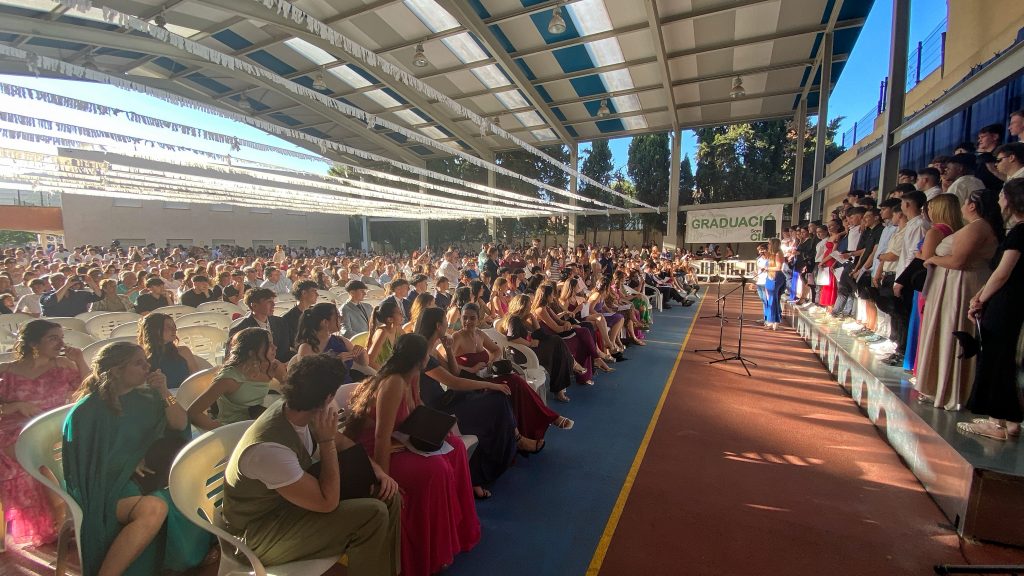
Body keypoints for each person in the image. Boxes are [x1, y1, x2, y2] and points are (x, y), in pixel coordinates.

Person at [223, 355, 401, 574]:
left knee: (388, 495)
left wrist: (377, 471)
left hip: (289, 507)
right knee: (373, 515)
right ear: (328, 398)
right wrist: (326, 442)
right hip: (258, 535)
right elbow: (327, 502)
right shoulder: (271, 450)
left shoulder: (297, 410)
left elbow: (343, 442)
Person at [62, 342, 213, 576]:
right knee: (155, 507)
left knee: (197, 487)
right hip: (105, 487)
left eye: (146, 362)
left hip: (144, 477)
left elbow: (179, 425)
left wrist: (164, 393)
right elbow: (85, 465)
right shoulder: (88, 411)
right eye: (138, 363)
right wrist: (128, 462)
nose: (147, 367)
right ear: (116, 370)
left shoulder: (148, 398)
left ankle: (185, 559)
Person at [345, 334, 478, 576]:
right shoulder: (394, 382)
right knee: (436, 469)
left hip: (401, 440)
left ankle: (454, 534)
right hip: (376, 452)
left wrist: (440, 426)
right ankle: (429, 553)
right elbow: (380, 437)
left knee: (456, 447)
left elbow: (418, 410)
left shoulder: (412, 376)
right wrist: (384, 479)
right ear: (419, 358)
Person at [413, 308, 521, 494]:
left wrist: (448, 349)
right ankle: (510, 445)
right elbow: (454, 381)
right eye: (445, 321)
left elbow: (454, 372)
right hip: (439, 410)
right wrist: (491, 385)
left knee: (493, 401)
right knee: (496, 399)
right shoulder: (423, 355)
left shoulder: (431, 350)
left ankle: (508, 446)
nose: (448, 324)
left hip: (447, 400)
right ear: (438, 326)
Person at [0, 320, 86, 548]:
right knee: (13, 453)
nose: (60, 343)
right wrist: (15, 406)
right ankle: (54, 521)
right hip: (11, 429)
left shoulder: (64, 366)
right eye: (53, 338)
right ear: (33, 343)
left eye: (61, 338)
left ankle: (59, 520)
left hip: (50, 428)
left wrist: (79, 360)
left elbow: (89, 390)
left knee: (36, 454)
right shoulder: (6, 371)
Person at [915, 189, 1002, 410]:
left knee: (953, 331)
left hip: (961, 285)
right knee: (944, 331)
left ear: (972, 205)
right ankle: (938, 386)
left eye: (965, 202)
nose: (962, 206)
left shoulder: (978, 227)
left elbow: (958, 261)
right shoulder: (975, 227)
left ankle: (953, 390)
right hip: (951, 285)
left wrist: (933, 258)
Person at [959, 179, 1024, 439]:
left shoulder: (1019, 233)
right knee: (1003, 359)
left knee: (995, 359)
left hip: (1005, 302)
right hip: (1010, 301)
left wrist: (980, 299)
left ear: (1012, 200)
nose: (998, 200)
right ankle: (1010, 420)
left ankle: (996, 422)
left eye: (1002, 196)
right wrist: (981, 296)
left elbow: (1002, 273)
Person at [451, 303, 572, 439]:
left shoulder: (479, 334)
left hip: (486, 377)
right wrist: (471, 369)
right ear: (460, 318)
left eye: (472, 318)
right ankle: (550, 417)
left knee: (516, 381)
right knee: (513, 383)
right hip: (471, 384)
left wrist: (491, 361)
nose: (468, 321)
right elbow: (449, 365)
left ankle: (539, 423)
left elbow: (496, 350)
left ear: (478, 319)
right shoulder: (457, 337)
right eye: (464, 318)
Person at [189, 328, 287, 430]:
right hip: (234, 428)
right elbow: (193, 413)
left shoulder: (269, 367)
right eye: (269, 344)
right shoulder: (229, 378)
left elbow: (291, 394)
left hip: (257, 423)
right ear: (252, 352)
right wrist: (221, 429)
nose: (275, 347)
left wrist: (283, 377)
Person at [499, 294, 576, 403]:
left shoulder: (521, 319)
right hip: (523, 355)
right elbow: (513, 337)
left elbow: (539, 334)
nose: (531, 306)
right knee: (557, 346)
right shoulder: (514, 319)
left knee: (557, 347)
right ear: (523, 306)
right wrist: (529, 343)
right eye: (529, 304)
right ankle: (569, 368)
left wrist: (533, 318)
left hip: (527, 350)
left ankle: (566, 374)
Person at [293, 302, 370, 382]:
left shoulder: (342, 341)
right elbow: (308, 377)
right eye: (338, 316)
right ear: (325, 322)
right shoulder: (307, 347)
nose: (342, 319)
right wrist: (334, 362)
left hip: (348, 386)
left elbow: (363, 364)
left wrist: (362, 352)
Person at [227, 288, 293, 364]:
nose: (274, 304)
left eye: (273, 301)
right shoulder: (239, 330)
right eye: (269, 302)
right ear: (254, 306)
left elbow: (285, 351)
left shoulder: (280, 322)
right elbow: (236, 360)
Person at [137, 313, 200, 390]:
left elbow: (198, 378)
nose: (174, 330)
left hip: (186, 394)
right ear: (155, 330)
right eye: (168, 327)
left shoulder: (183, 352)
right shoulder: (144, 359)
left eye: (174, 326)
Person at [367, 300, 403, 369]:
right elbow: (370, 361)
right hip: (379, 371)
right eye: (399, 313)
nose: (402, 315)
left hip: (392, 368)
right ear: (390, 319)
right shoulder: (382, 333)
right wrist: (386, 373)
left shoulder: (398, 329)